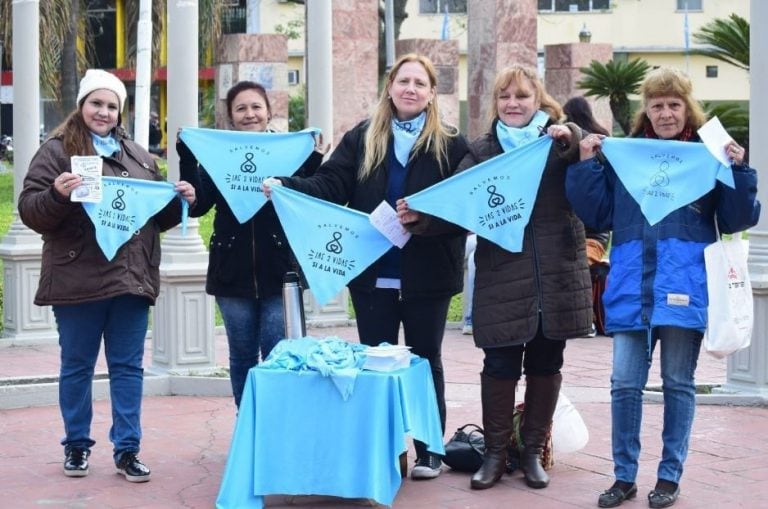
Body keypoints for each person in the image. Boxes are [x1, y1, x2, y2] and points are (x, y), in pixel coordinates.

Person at [265, 53, 469, 480]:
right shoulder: (362, 137)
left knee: (424, 359)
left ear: (432, 93)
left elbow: (462, 207)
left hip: (428, 274)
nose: (410, 89)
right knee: (376, 363)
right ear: (390, 86)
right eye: (403, 80)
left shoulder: (451, 144)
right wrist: (289, 187)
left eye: (419, 83)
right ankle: (387, 448)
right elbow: (330, 184)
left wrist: (425, 221)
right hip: (371, 271)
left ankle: (429, 448)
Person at [566, 67, 760, 508]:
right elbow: (597, 210)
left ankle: (669, 477)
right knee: (623, 383)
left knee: (677, 382)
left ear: (686, 108)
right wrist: (584, 165)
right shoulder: (625, 155)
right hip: (632, 284)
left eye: (674, 104)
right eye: (657, 105)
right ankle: (624, 476)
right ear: (646, 111)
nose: (666, 113)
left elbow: (737, 219)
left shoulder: (707, 155)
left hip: (685, 284)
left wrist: (739, 170)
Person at [17, 69, 196, 483]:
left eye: (112, 105)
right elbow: (31, 210)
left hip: (130, 279)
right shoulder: (56, 151)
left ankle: (128, 450)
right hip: (76, 277)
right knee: (77, 366)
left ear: (121, 112)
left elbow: (152, 216)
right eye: (96, 103)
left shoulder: (138, 155)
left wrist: (178, 199)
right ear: (81, 106)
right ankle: (76, 445)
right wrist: (56, 194)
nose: (104, 111)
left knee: (128, 368)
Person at [453, 65, 593, 491]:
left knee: (547, 364)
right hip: (502, 277)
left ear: (539, 101)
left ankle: (531, 452)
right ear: (496, 104)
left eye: (522, 97)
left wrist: (565, 130)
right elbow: (455, 200)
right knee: (499, 364)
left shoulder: (557, 142)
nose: (513, 104)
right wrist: (419, 216)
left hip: (557, 275)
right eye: (505, 97)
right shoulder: (481, 151)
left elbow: (580, 143)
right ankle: (495, 454)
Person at [176, 80, 327, 409]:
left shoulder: (289, 153)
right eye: (241, 108)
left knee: (277, 355)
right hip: (231, 272)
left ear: (269, 112)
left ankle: (275, 431)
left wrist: (313, 158)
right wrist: (187, 159)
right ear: (230, 117)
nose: (250, 114)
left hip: (280, 271)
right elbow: (200, 203)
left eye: (256, 107)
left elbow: (309, 193)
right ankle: (248, 429)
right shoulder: (221, 157)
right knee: (242, 355)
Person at [563, 96, 612, 337]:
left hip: (591, 232)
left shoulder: (576, 141)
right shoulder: (603, 136)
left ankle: (588, 320)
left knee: (579, 266)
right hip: (595, 233)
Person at [462, 232, 477, 335]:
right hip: (467, 238)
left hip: (482, 237)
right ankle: (471, 318)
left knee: (473, 259)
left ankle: (471, 318)